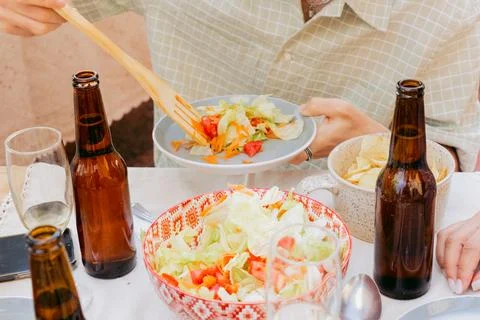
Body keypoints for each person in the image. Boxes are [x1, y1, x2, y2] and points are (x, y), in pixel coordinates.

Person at [1, 0, 479, 291]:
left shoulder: (456, 12)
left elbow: (452, 153)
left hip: (355, 240)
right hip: (176, 225)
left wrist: (382, 146)